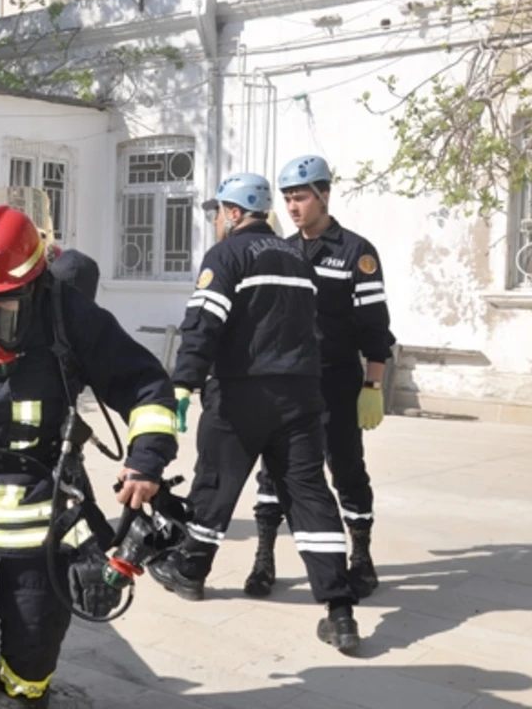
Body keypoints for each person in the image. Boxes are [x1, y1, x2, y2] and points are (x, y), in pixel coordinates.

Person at [0, 205, 178, 709]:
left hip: (42, 490)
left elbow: (147, 384)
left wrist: (146, 457)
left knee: (35, 621)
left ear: (35, 282)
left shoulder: (71, 314)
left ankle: (22, 696)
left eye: (3, 303)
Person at [147, 173, 362, 653]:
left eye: (219, 211)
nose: (218, 220)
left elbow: (203, 323)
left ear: (234, 213)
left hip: (242, 395)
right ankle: (340, 611)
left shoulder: (227, 256)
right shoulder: (300, 260)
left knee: (215, 485)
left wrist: (184, 382)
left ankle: (190, 572)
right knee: (309, 496)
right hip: (302, 395)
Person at [245, 155, 395, 600]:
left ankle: (361, 557)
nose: (293, 207)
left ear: (324, 195)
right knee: (273, 472)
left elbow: (375, 325)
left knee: (346, 467)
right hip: (289, 382)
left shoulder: (356, 252)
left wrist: (373, 385)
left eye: (301, 197)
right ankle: (265, 558)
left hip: (337, 379)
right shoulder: (284, 251)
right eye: (288, 199)